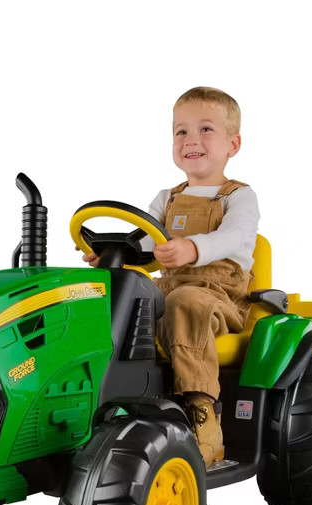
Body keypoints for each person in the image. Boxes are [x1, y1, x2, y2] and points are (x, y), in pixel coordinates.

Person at [83, 86, 260, 466]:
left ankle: (203, 413)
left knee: (184, 303)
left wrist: (192, 249)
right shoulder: (167, 198)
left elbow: (235, 236)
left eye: (205, 129)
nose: (191, 140)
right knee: (109, 298)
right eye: (181, 131)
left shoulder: (239, 196)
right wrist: (113, 254)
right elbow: (144, 241)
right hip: (169, 286)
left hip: (219, 295)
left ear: (233, 144)